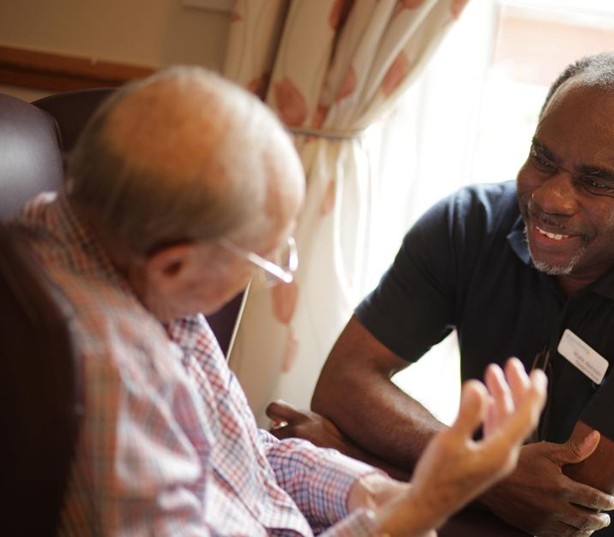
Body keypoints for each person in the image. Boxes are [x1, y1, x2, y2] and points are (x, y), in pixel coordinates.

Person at [4, 66, 550, 536]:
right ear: (175, 263)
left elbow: (240, 454)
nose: (269, 276)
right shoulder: (115, 376)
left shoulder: (106, 241)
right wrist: (423, 505)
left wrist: (370, 492)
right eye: (263, 262)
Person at [268, 52, 614, 537]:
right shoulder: (466, 225)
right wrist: (488, 474)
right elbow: (343, 383)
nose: (551, 199)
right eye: (543, 159)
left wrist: (358, 456)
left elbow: (555, 509)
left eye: (596, 182)